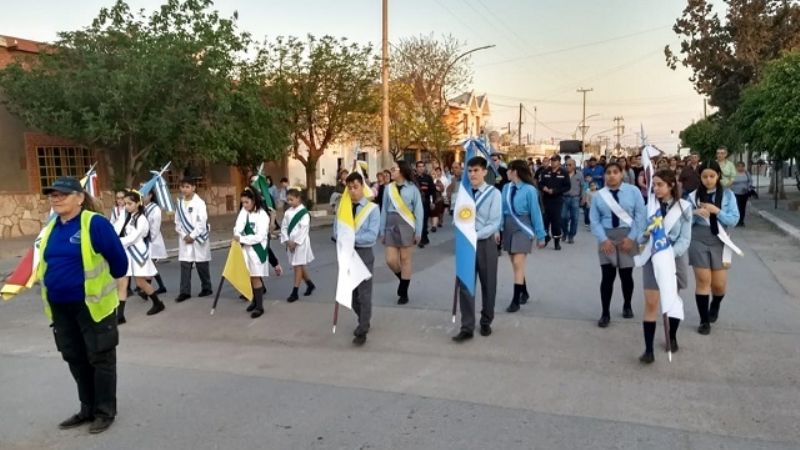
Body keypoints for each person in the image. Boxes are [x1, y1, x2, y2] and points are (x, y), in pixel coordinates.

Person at [38, 176, 128, 434]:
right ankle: (86, 408)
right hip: (60, 307)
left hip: (92, 306)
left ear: (79, 198)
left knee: (100, 358)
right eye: (52, 194)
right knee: (75, 358)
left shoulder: (94, 224)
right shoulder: (52, 226)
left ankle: (104, 412)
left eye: (62, 194)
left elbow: (120, 263)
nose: (56, 198)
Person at [637, 169, 692, 363]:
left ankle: (672, 336)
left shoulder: (684, 207)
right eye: (654, 185)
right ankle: (648, 350)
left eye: (660, 184)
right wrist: (645, 234)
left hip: (674, 260)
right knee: (651, 303)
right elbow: (639, 235)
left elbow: (685, 239)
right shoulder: (649, 208)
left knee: (671, 300)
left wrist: (669, 254)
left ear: (670, 185)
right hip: (653, 258)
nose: (657, 189)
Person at [452, 157, 503, 342]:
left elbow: (494, 222)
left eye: (475, 170)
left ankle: (486, 320)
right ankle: (467, 326)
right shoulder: (463, 193)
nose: (472, 174)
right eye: (469, 171)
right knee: (466, 285)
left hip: (485, 243)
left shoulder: (494, 194)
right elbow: (455, 215)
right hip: (466, 244)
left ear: (484, 172)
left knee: (488, 284)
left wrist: (475, 235)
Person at [590, 162, 647, 327]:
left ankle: (627, 304)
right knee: (607, 276)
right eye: (608, 172)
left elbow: (640, 216)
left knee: (626, 275)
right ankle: (605, 313)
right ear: (604, 175)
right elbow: (594, 220)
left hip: (627, 236)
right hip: (606, 237)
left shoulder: (633, 191)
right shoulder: (599, 195)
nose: (611, 175)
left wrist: (632, 238)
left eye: (615, 172)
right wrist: (603, 239)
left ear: (622, 174)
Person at [688, 161, 740, 335]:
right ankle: (704, 321)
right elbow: (684, 219)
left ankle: (715, 304)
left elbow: (733, 220)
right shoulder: (693, 196)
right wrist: (693, 213)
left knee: (718, 285)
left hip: (720, 240)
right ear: (700, 177)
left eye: (712, 176)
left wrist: (717, 211)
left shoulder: (728, 195)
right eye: (704, 176)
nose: (708, 180)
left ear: (718, 176)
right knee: (703, 281)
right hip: (698, 239)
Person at [336, 172, 380, 345]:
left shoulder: (372, 209)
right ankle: (364, 316)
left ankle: (362, 328)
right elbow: (336, 231)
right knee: (352, 295)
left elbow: (371, 236)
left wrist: (351, 238)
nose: (353, 191)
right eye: (350, 188)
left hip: (363, 253)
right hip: (347, 254)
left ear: (363, 186)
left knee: (364, 293)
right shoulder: (343, 207)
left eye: (356, 187)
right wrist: (342, 239)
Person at [502, 160, 547, 313]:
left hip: (523, 227)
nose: (506, 172)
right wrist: (498, 229)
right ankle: (524, 291)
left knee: (517, 262)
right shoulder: (506, 188)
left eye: (508, 169)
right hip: (508, 227)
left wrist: (541, 235)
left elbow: (535, 212)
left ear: (514, 171)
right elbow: (502, 210)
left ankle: (515, 301)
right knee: (516, 265)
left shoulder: (529, 190)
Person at [116, 189, 165, 323]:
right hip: (126, 252)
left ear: (138, 203)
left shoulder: (142, 219)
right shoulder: (126, 215)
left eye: (130, 203)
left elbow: (133, 237)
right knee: (122, 283)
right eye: (125, 204)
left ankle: (157, 303)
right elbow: (116, 228)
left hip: (137, 252)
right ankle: (120, 316)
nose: (126, 206)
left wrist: (116, 242)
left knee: (140, 282)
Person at [380, 161, 424, 304]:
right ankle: (403, 279)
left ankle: (403, 292)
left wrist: (418, 231)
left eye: (394, 169)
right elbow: (384, 210)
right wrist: (382, 230)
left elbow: (419, 211)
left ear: (402, 171)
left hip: (406, 225)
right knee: (390, 260)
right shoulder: (388, 189)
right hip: (391, 225)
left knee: (405, 259)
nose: (391, 172)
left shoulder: (413, 189)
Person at [233, 187, 271, 318]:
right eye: (242, 202)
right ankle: (254, 301)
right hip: (245, 249)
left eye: (246, 202)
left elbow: (260, 236)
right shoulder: (244, 211)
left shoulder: (263, 215)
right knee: (249, 275)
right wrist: (237, 234)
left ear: (254, 200)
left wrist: (242, 238)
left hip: (257, 250)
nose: (244, 205)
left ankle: (260, 306)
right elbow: (238, 226)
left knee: (255, 276)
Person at [174, 177, 213, 303]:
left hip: (198, 237)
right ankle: (184, 292)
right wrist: (184, 235)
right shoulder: (179, 203)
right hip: (185, 238)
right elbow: (177, 222)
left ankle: (206, 288)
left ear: (193, 188)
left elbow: (202, 222)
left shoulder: (199, 203)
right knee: (185, 264)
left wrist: (193, 235)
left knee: (202, 264)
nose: (184, 189)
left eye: (187, 187)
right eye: (182, 187)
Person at [538, 154, 571, 250]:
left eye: (555, 160)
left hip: (557, 200)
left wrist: (555, 191)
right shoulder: (545, 172)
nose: (553, 162)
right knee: (545, 220)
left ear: (559, 162)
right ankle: (546, 236)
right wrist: (543, 187)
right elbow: (540, 183)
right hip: (546, 199)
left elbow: (567, 187)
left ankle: (557, 242)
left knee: (556, 222)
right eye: (552, 160)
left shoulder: (564, 173)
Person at [141, 189, 167, 295]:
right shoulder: (142, 207)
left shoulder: (155, 209)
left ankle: (146, 289)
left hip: (152, 240)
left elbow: (155, 226)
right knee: (150, 264)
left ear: (150, 195)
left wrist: (149, 237)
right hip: (145, 239)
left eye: (144, 194)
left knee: (150, 263)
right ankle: (159, 286)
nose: (142, 196)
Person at [562, 158, 583, 243]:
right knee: (563, 217)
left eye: (570, 165)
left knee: (575, 218)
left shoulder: (580, 174)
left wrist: (583, 197)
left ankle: (571, 236)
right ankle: (565, 233)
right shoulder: (563, 174)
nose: (567, 166)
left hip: (575, 198)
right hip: (564, 198)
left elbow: (583, 186)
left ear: (574, 166)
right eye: (566, 165)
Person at [414, 161, 434, 248]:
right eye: (419, 166)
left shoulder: (428, 178)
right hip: (415, 203)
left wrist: (432, 202)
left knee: (424, 220)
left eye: (422, 166)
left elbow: (432, 190)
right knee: (416, 220)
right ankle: (418, 237)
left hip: (425, 202)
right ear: (416, 168)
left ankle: (423, 238)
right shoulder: (413, 178)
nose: (421, 168)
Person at [731, 161, 753, 227]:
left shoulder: (746, 173)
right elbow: (730, 183)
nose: (740, 168)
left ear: (744, 167)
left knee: (743, 208)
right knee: (737, 207)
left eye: (742, 166)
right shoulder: (733, 174)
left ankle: (741, 221)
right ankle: (737, 221)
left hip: (744, 193)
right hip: (735, 193)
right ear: (736, 167)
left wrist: (748, 187)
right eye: (739, 166)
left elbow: (750, 181)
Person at [430, 166, 446, 231]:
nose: (433, 175)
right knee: (431, 213)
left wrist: (435, 187)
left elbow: (442, 189)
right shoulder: (428, 180)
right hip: (429, 200)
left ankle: (434, 226)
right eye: (432, 174)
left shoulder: (438, 181)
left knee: (436, 213)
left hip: (438, 200)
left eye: (434, 174)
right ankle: (433, 224)